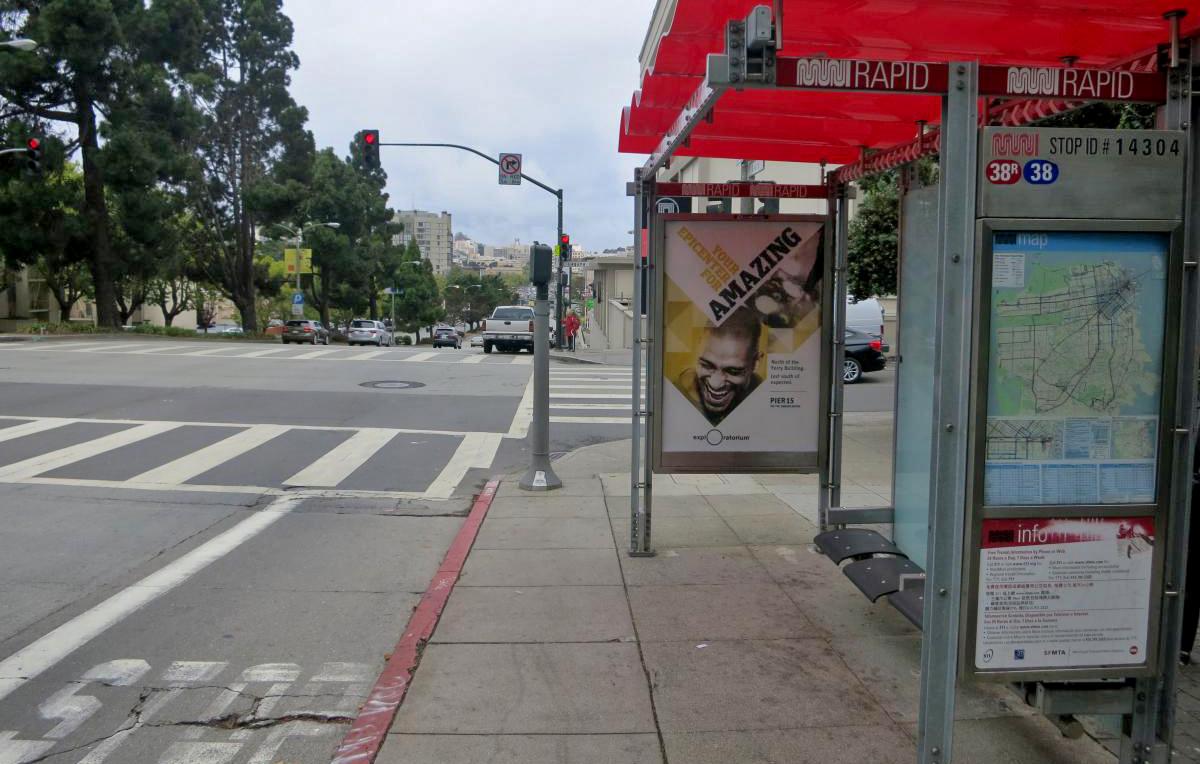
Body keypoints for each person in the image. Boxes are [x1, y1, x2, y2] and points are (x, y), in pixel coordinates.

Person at [677, 309, 762, 426]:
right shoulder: (674, 395)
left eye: (733, 371)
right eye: (706, 365)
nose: (715, 384)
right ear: (698, 350)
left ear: (755, 363)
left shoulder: (765, 396)